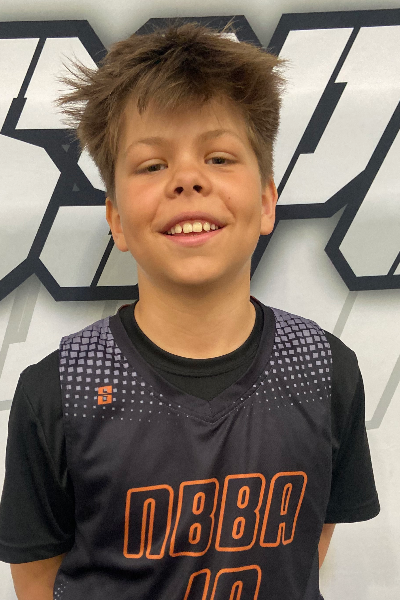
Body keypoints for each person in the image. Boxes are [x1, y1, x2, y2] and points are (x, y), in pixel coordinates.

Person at [0, 20, 380, 600]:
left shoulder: (324, 370)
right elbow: (37, 578)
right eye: (152, 165)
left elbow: (309, 545)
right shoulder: (58, 392)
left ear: (266, 202)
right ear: (117, 220)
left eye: (220, 157)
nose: (188, 180)